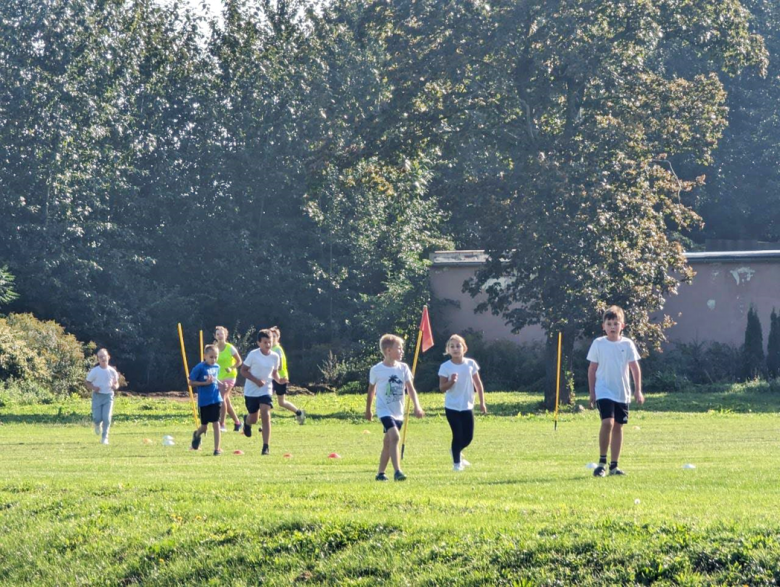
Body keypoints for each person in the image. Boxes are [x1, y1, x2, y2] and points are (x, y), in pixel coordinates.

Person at [587, 305, 644, 477]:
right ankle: (602, 463)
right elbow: (592, 369)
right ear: (603, 326)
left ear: (622, 326)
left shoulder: (627, 344)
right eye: (609, 323)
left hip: (622, 392)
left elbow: (635, 368)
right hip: (604, 390)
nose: (612, 327)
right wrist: (592, 393)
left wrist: (638, 391)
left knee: (618, 426)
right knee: (608, 423)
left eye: (616, 323)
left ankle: (614, 466)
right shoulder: (598, 344)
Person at [365, 334, 424, 481]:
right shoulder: (377, 369)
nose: (402, 351)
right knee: (395, 437)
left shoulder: (403, 368)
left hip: (398, 411)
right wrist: (368, 409)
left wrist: (417, 406)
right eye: (399, 348)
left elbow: (410, 389)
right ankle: (398, 471)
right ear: (388, 351)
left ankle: (380, 473)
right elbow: (371, 390)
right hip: (384, 410)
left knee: (387, 443)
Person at [438, 334, 487, 472]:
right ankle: (457, 464)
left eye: (458, 346)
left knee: (468, 437)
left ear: (464, 348)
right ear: (447, 349)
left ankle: (455, 450)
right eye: (452, 346)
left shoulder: (470, 364)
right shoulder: (445, 367)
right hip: (452, 407)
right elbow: (442, 388)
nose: (455, 349)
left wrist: (482, 402)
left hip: (467, 406)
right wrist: (451, 382)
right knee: (457, 434)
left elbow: (478, 384)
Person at [240, 329, 280, 455]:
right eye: (265, 342)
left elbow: (274, 373)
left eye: (270, 342)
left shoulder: (275, 356)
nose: (268, 345)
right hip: (251, 391)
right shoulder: (253, 355)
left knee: (265, 413)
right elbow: (243, 371)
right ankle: (247, 421)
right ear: (259, 343)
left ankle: (266, 446)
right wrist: (256, 381)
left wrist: (280, 380)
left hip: (266, 389)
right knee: (253, 419)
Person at [189, 345, 223, 455]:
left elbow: (216, 382)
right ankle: (197, 434)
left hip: (216, 399)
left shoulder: (217, 367)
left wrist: (222, 386)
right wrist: (205, 383)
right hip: (204, 401)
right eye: (211, 357)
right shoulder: (200, 368)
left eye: (216, 357)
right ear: (205, 356)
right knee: (204, 427)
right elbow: (191, 382)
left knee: (216, 423)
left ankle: (217, 449)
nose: (214, 360)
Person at [269, 326, 305, 425]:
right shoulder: (269, 349)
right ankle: (264, 419)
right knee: (266, 399)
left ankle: (299, 412)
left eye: (274, 336)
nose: (272, 338)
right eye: (271, 336)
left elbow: (279, 366)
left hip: (280, 378)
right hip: (271, 378)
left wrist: (269, 369)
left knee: (281, 402)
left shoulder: (277, 349)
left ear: (278, 337)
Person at [85, 348, 119, 445]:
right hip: (97, 396)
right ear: (98, 359)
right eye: (100, 357)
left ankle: (105, 438)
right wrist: (94, 388)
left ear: (108, 357)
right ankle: (97, 424)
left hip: (108, 396)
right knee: (97, 418)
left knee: (107, 418)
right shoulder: (95, 371)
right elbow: (87, 382)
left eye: (104, 356)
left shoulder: (112, 371)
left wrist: (115, 386)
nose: (103, 358)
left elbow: (116, 384)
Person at [214, 326, 242, 433]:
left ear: (226, 335)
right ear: (215, 336)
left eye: (221, 334)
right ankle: (237, 422)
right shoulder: (215, 348)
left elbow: (239, 361)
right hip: (218, 377)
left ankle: (222, 424)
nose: (220, 336)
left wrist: (231, 367)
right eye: (218, 334)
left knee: (222, 398)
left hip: (230, 376)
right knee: (226, 401)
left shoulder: (230, 348)